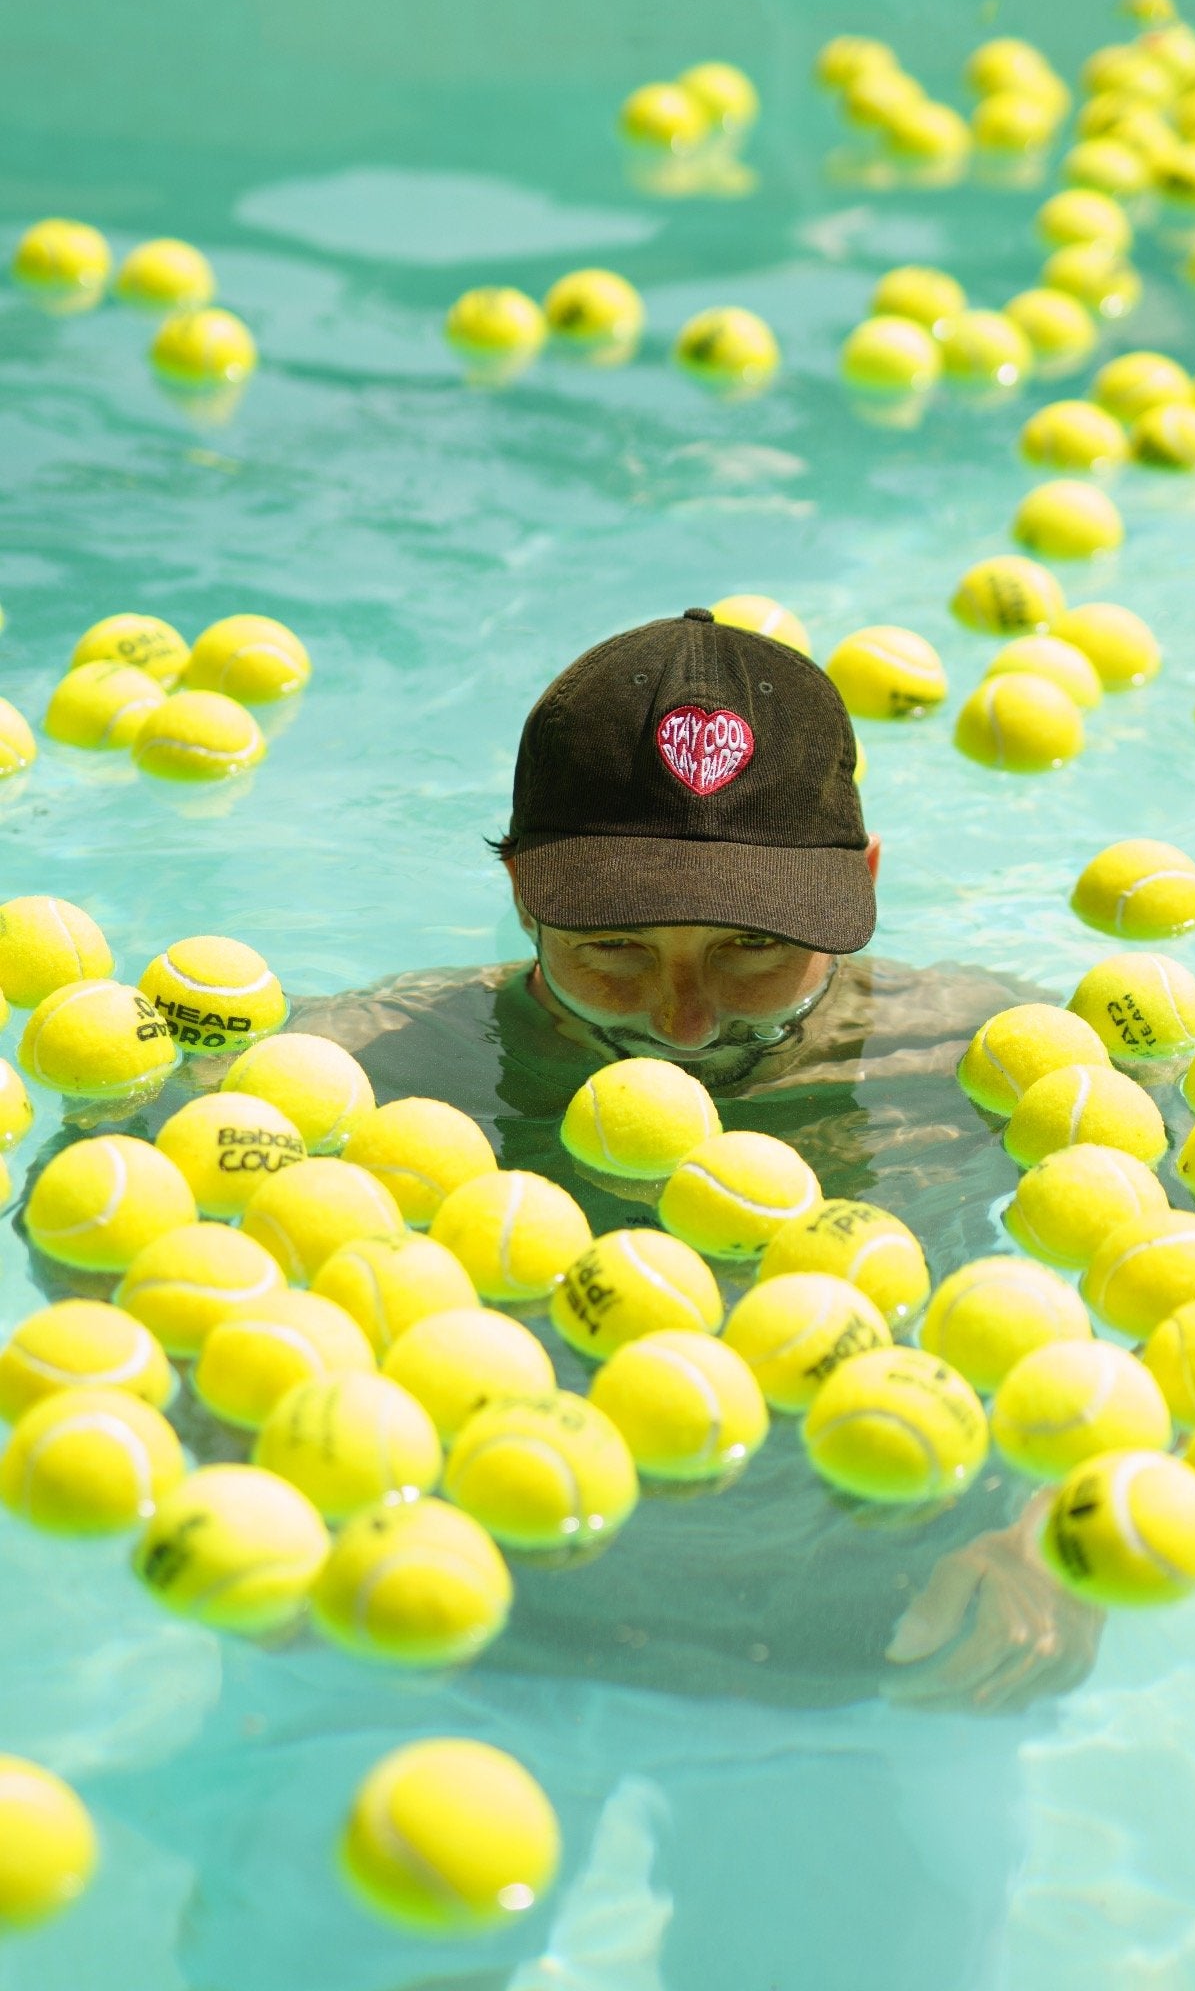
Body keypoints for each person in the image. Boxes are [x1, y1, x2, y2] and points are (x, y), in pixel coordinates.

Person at [294, 607, 1102, 1716]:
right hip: (460, 1601)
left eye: (753, 946)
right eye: (615, 948)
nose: (681, 1022)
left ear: (862, 878)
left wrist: (1069, 1521)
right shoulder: (366, 1070)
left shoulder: (986, 1060)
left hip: (898, 1615)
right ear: (523, 890)